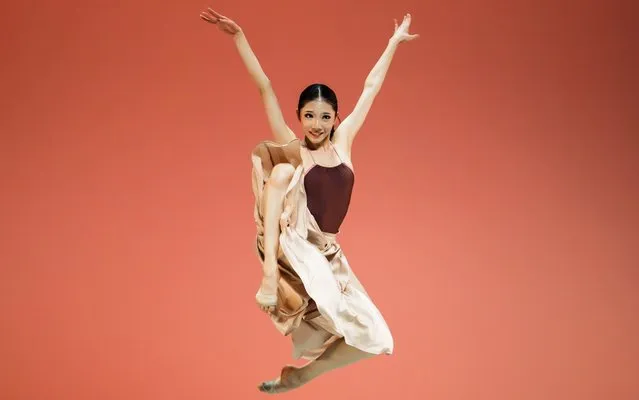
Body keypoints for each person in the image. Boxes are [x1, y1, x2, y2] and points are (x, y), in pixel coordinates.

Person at [200, 7, 419, 394]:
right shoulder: (297, 149)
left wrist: (393, 43)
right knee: (282, 171)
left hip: (331, 255)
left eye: (324, 116)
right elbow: (265, 87)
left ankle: (300, 376)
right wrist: (239, 38)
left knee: (376, 339)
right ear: (299, 117)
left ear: (336, 118)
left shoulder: (345, 142)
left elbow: (371, 88)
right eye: (309, 115)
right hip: (297, 243)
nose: (316, 124)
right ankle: (269, 277)